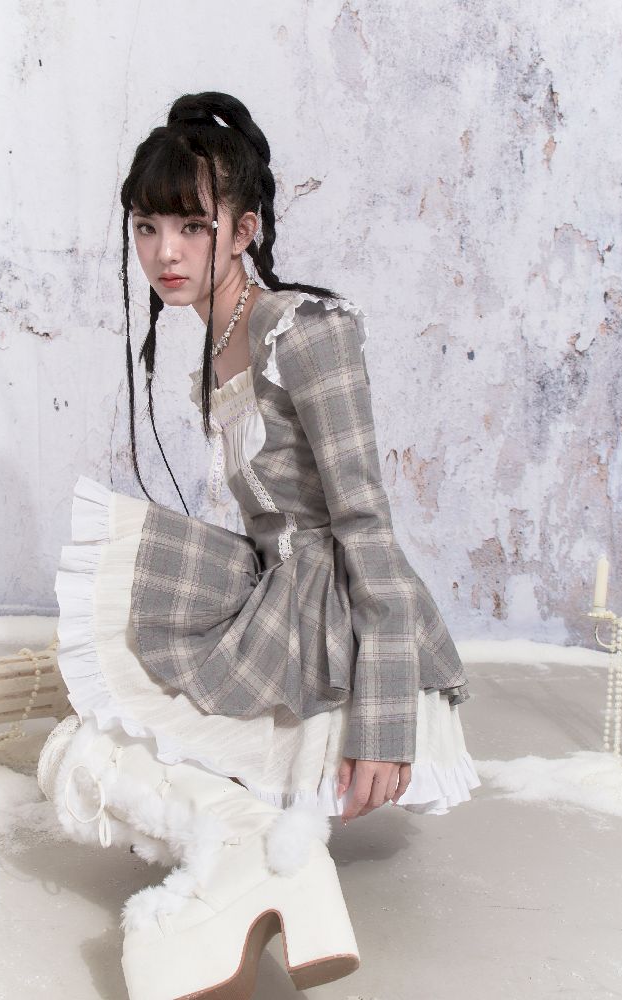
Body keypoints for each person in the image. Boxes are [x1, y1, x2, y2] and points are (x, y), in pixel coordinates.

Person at [38, 91, 480, 1000]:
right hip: (284, 602)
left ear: (245, 230)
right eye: (147, 226)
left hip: (342, 635)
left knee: (101, 754)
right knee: (89, 748)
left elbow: (365, 525)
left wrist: (382, 717)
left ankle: (271, 872)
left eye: (192, 226)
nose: (165, 252)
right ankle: (273, 868)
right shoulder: (217, 346)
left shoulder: (307, 335)